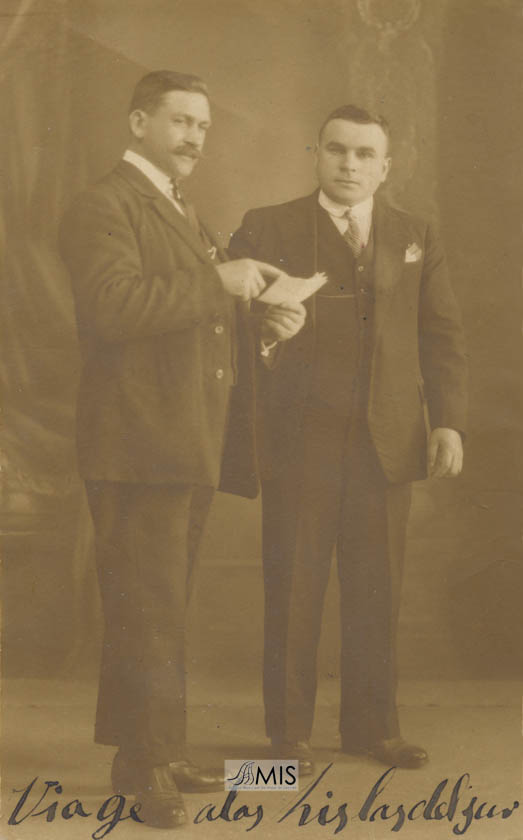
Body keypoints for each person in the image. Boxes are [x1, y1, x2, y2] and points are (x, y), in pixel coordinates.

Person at [59, 70, 305, 829]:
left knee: (160, 605)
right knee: (147, 606)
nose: (195, 137)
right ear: (139, 123)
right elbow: (113, 309)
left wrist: (261, 328)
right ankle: (145, 767)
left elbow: (192, 322)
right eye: (180, 121)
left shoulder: (178, 206)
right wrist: (218, 278)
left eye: (202, 125)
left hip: (180, 439)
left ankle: (153, 752)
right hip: (136, 443)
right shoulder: (104, 204)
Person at [229, 104, 468, 776]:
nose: (349, 164)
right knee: (293, 589)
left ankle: (373, 729)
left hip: (384, 443)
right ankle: (288, 738)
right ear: (317, 154)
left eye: (365, 154)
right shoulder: (266, 226)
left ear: (385, 167)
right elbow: (226, 324)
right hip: (298, 439)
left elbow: (441, 333)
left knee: (376, 590)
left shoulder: (414, 234)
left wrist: (447, 420)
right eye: (337, 150)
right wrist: (266, 337)